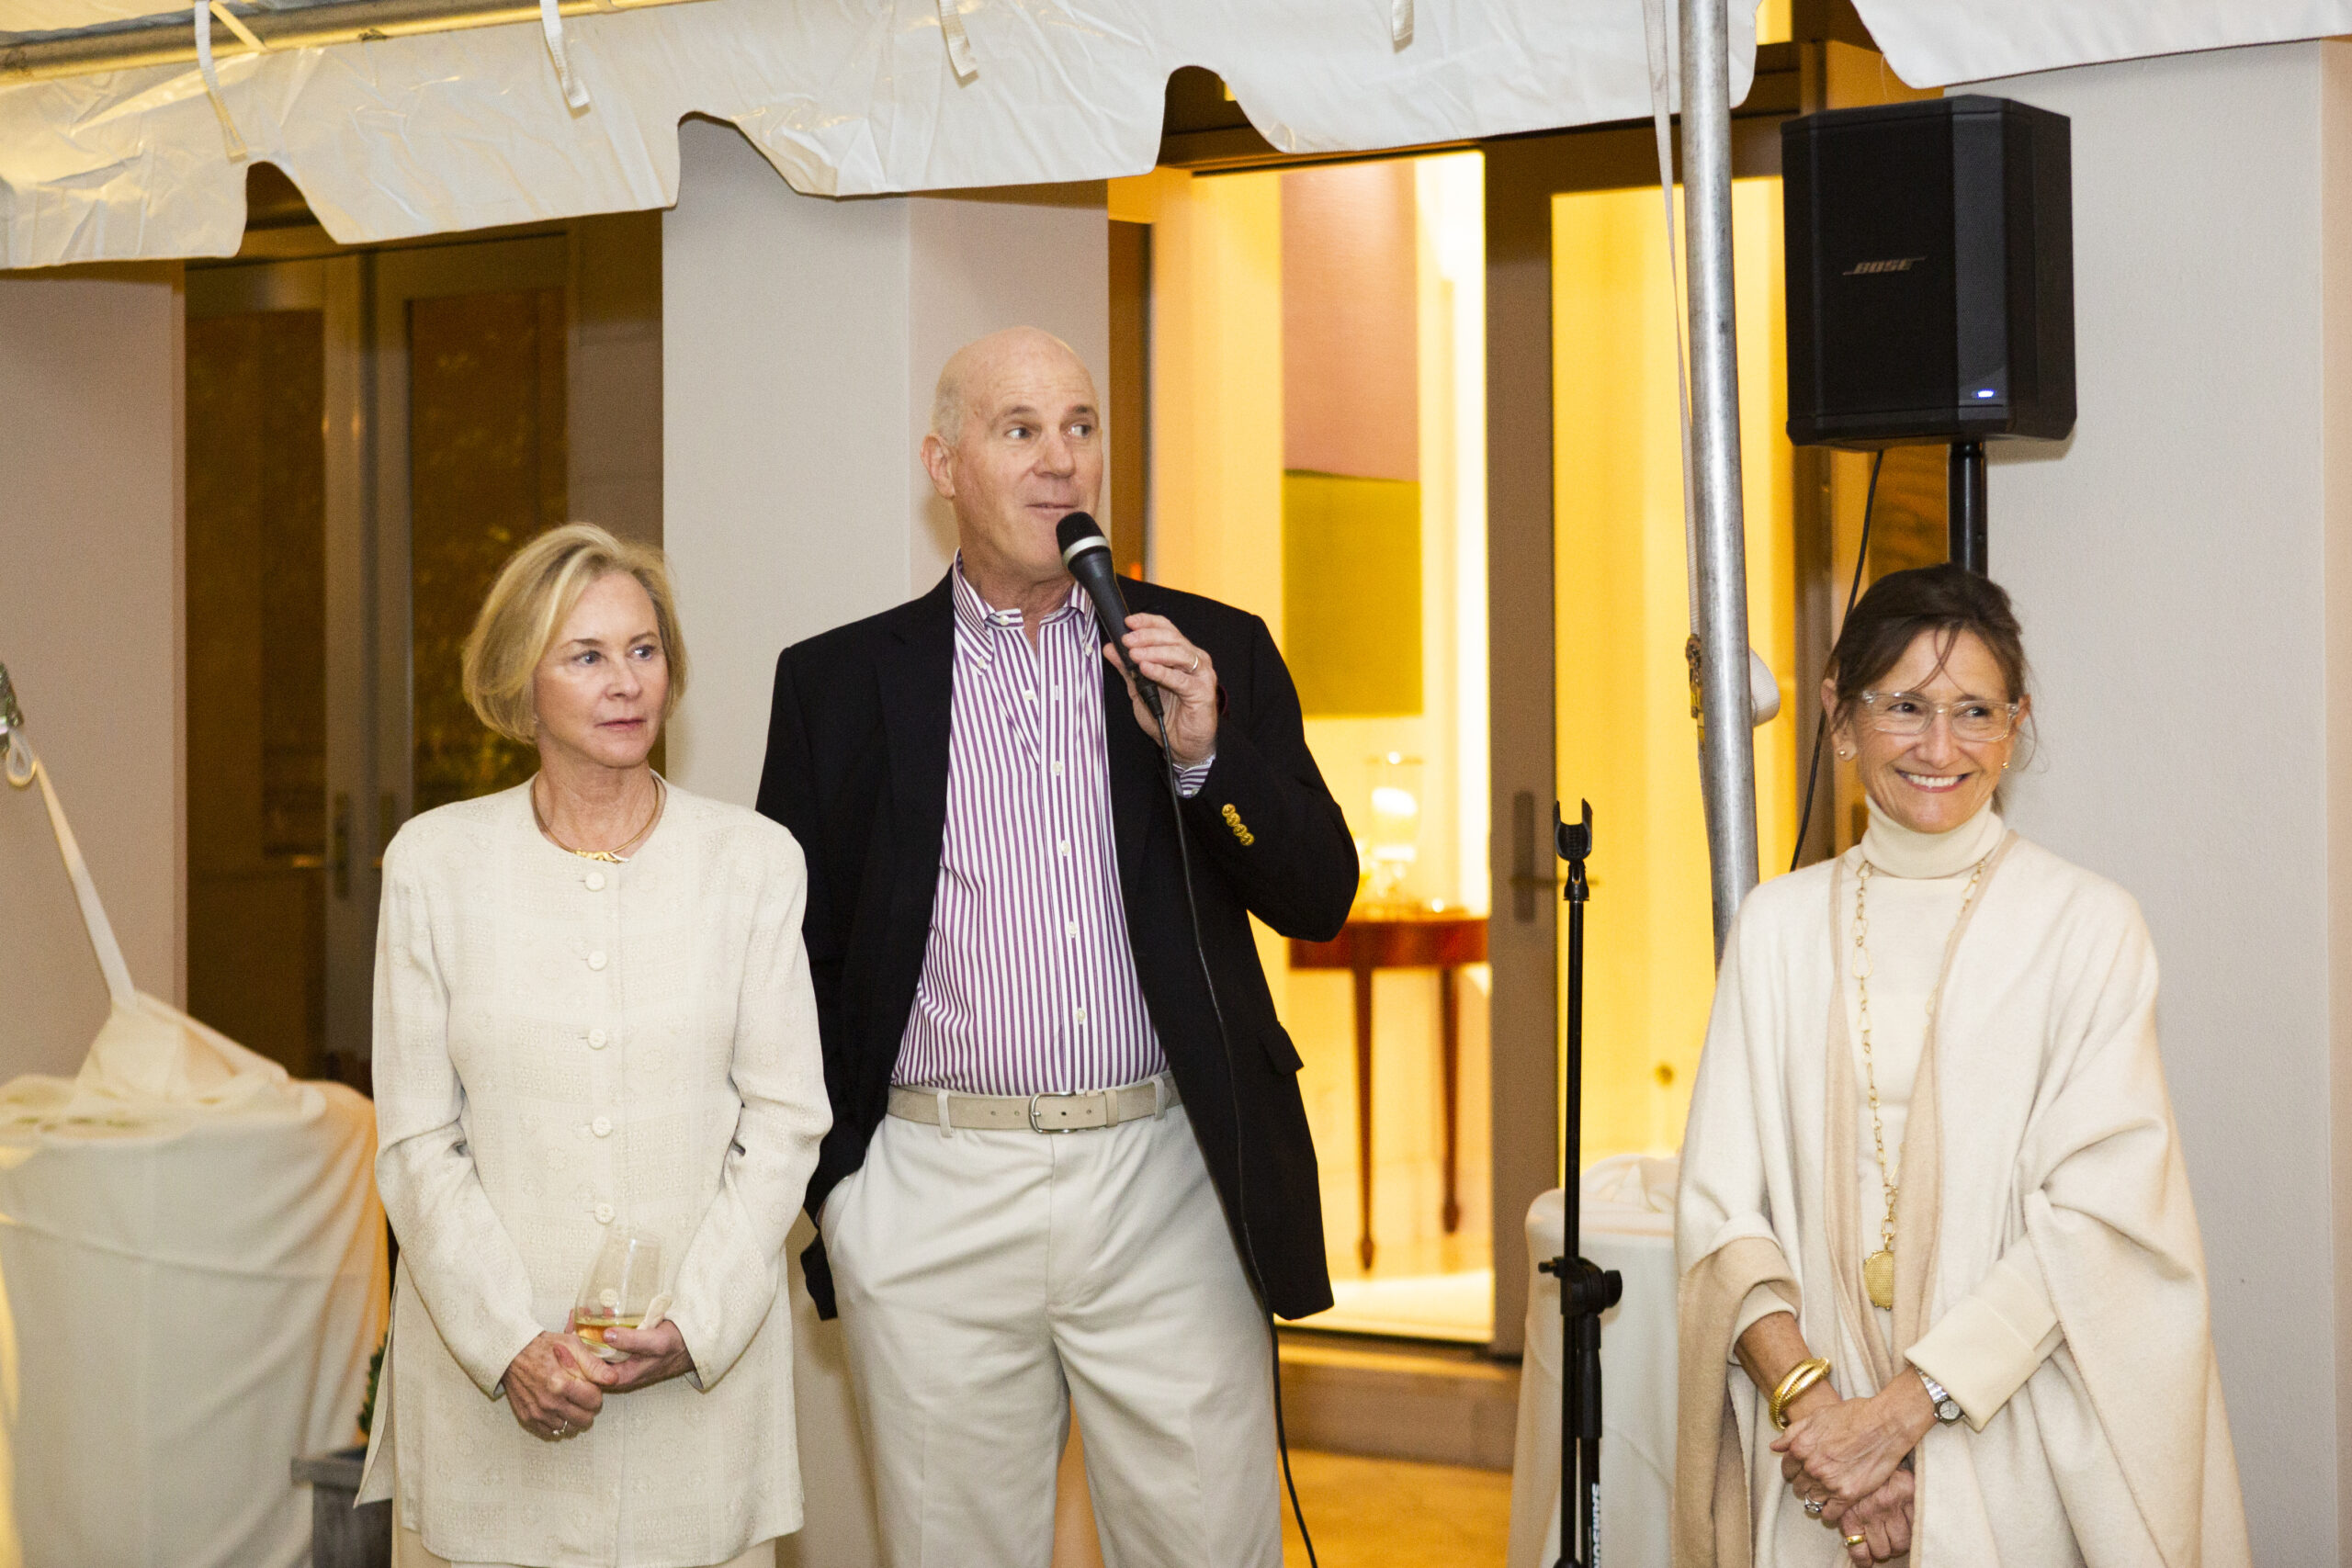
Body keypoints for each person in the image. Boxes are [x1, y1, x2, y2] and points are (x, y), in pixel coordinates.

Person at [755, 326, 1357, 1566]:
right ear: (943, 462)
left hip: (1165, 1177)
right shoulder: (838, 682)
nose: (1059, 461)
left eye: (1080, 426)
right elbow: (789, 964)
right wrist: (843, 1194)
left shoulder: (1209, 649)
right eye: (1018, 429)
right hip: (932, 1185)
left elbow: (1320, 890)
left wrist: (1202, 753)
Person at [1674, 563, 2251, 1567]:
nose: (1938, 748)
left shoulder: (2084, 928)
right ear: (1839, 717)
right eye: (1903, 706)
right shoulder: (1775, 928)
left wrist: (1898, 1418)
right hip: (1811, 1449)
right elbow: (1720, 1215)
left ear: (2015, 726)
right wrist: (1823, 1418)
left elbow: (2098, 1225)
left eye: (1973, 711)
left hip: (2010, 1432)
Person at [360, 524, 831, 1568]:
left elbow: (788, 1119)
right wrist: (509, 1345)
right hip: (492, 1411)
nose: (626, 683)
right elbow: (416, 1142)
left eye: (643, 650)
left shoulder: (750, 864)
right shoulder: (434, 865)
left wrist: (695, 1323)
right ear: (521, 683)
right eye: (586, 655)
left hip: (692, 1413)